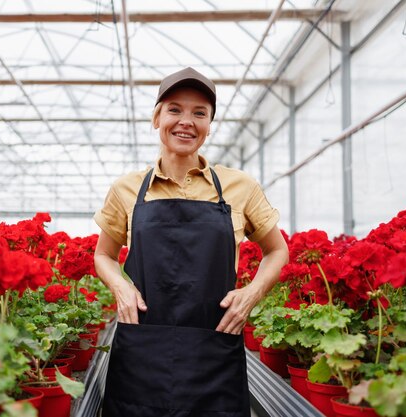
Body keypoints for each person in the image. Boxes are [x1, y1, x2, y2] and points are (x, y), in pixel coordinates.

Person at [93, 67, 289, 417]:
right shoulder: (126, 189)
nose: (187, 121)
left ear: (209, 124)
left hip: (213, 346)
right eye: (175, 109)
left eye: (200, 113)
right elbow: (104, 255)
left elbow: (276, 250)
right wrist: (120, 288)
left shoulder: (239, 186)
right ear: (156, 118)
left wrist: (251, 294)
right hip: (143, 348)